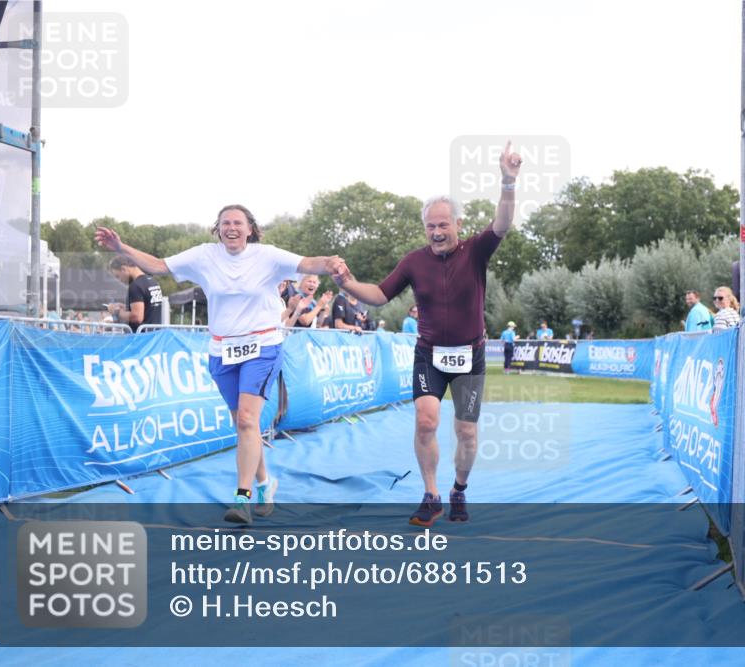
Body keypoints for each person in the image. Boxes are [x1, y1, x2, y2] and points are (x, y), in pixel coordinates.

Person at [95, 204, 344, 524]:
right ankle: (265, 484)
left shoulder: (267, 256)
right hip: (223, 349)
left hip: (262, 345)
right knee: (244, 425)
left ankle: (242, 499)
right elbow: (158, 265)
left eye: (238, 223)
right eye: (225, 223)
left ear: (250, 229)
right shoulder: (204, 256)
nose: (232, 228)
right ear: (218, 229)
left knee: (247, 420)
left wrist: (330, 262)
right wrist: (121, 247)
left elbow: (308, 263)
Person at [332, 141, 522, 527]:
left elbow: (502, 223)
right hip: (429, 354)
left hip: (470, 355)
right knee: (426, 421)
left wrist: (507, 181)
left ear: (457, 225)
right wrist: (347, 283)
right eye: (430, 226)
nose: (436, 232)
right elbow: (380, 295)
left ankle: (459, 489)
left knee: (466, 432)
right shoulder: (413, 262)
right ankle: (431, 495)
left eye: (443, 225)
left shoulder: (476, 251)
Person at [108, 255, 164, 333]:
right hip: (154, 335)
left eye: (118, 276)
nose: (120, 280)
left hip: (140, 336)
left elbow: (137, 317)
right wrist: (126, 307)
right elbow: (148, 308)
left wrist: (117, 312)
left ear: (123, 269)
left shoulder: (135, 286)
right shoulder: (153, 282)